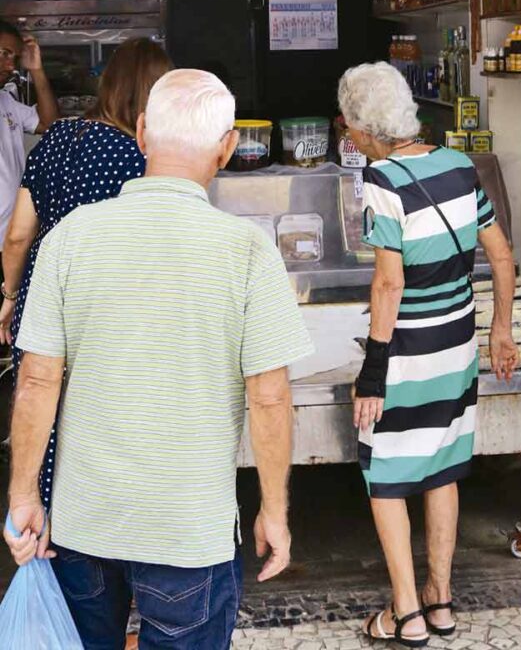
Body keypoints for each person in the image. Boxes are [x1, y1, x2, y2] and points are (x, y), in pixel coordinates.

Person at [3, 69, 313, 649]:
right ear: (225, 147)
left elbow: (37, 379)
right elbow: (269, 397)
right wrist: (274, 511)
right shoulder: (246, 250)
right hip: (188, 535)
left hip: (85, 525)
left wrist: (23, 496)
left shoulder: (69, 237)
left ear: (142, 132)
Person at [338, 62, 518, 647]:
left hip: (407, 350)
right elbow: (502, 254)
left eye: (349, 124)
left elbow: (388, 286)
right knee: (442, 465)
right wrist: (502, 330)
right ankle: (442, 602)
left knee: (385, 471)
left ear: (364, 127)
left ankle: (407, 612)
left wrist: (372, 371)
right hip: (457, 342)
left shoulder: (383, 180)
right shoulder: (459, 165)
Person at [0, 37, 172, 512]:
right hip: (110, 308)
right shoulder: (143, 160)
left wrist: (11, 293)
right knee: (103, 417)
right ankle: (105, 520)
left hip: (45, 296)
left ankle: (47, 513)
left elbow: (18, 235)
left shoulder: (58, 139)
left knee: (41, 407)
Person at [0, 19, 59, 261]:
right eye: (4, 54)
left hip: (11, 239)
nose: (10, 65)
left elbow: (50, 123)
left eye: (14, 57)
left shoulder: (6, 102)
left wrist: (36, 69)